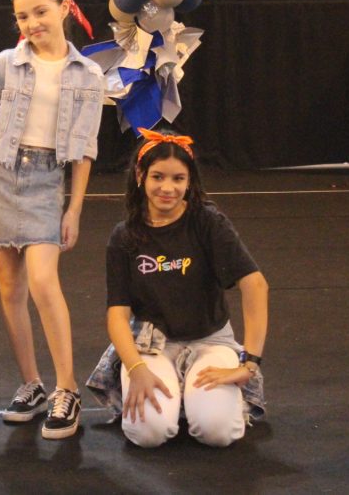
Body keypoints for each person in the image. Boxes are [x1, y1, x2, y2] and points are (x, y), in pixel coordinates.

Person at [0, 0, 105, 439]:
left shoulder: (89, 75)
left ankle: (67, 389)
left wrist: (73, 210)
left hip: (45, 182)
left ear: (64, 7)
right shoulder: (5, 64)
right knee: (10, 288)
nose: (32, 23)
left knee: (43, 280)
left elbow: (84, 150)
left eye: (40, 11)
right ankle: (31, 383)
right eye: (23, 16)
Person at [86, 128, 268, 448]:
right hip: (151, 345)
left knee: (217, 432)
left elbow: (255, 284)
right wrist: (136, 368)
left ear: (189, 181)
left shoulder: (207, 222)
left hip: (210, 340)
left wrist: (249, 363)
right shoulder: (124, 236)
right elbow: (117, 315)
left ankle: (197, 398)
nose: (168, 188)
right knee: (148, 434)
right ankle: (180, 396)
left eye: (178, 179)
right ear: (140, 176)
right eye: (158, 176)